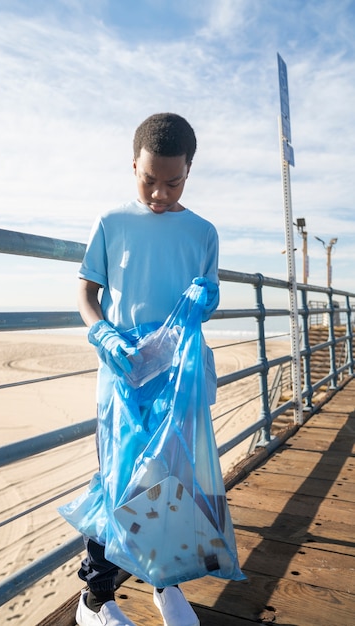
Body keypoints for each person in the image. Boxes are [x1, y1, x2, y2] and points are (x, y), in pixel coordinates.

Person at [76, 112, 219, 626]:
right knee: (116, 479)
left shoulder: (203, 232)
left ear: (189, 172)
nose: (160, 194)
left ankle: (167, 583)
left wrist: (206, 298)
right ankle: (96, 597)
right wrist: (102, 332)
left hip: (178, 377)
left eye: (173, 182)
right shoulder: (112, 223)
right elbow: (86, 292)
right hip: (123, 373)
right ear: (132, 165)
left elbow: (204, 295)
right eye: (148, 179)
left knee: (169, 479)